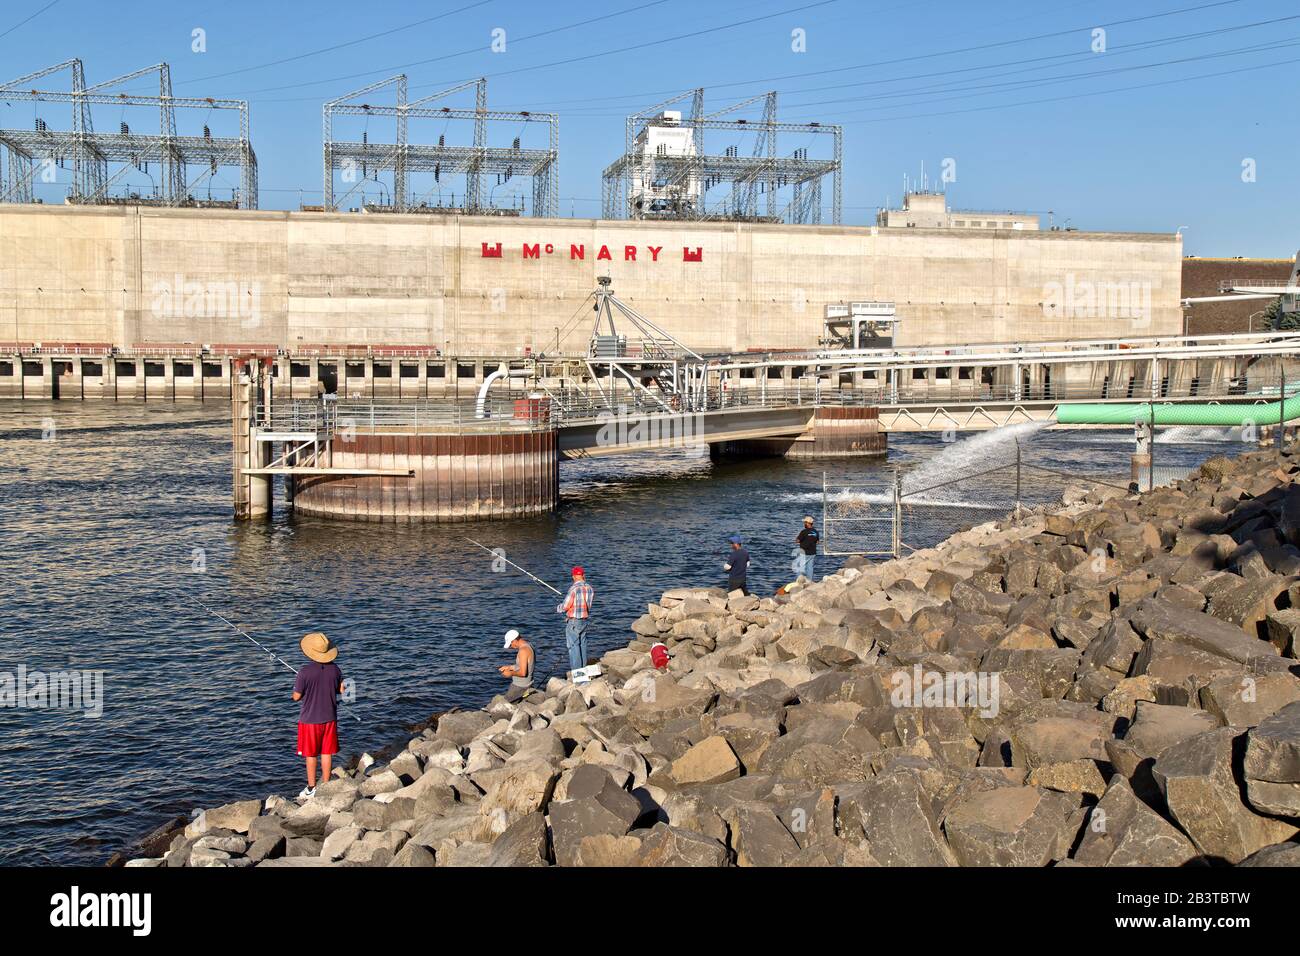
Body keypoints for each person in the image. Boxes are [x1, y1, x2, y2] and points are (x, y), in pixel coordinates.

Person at [292, 631, 345, 801]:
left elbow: (296, 697)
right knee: (326, 752)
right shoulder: (336, 669)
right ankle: (326, 784)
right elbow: (342, 690)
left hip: (309, 720)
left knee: (311, 754)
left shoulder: (304, 672)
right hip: (330, 717)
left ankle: (311, 787)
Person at [556, 566, 594, 675]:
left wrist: (559, 608)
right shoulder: (590, 588)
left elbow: (565, 606)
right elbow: (588, 606)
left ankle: (579, 677)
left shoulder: (573, 589)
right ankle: (583, 672)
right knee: (582, 645)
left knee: (574, 648)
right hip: (584, 621)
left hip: (573, 622)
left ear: (573, 577)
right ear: (583, 576)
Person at [498, 629, 536, 702]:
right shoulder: (529, 645)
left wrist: (510, 673)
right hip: (526, 684)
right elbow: (524, 665)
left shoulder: (523, 651)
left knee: (503, 704)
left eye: (511, 644)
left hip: (520, 686)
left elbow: (523, 673)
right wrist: (509, 667)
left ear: (515, 640)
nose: (511, 646)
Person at [795, 515, 820, 581]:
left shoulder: (803, 532)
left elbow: (797, 540)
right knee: (810, 568)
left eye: (805, 523)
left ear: (808, 523)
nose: (804, 524)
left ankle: (799, 581)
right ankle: (809, 582)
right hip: (812, 552)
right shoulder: (816, 532)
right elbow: (817, 542)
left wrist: (798, 540)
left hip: (804, 552)